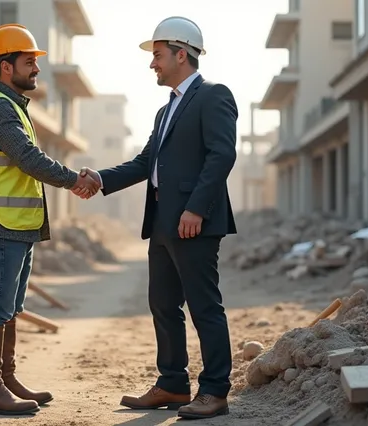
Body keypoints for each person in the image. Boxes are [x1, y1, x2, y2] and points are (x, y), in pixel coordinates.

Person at [75, 16, 238, 420]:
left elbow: (222, 155)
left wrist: (196, 208)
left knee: (204, 307)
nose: (153, 64)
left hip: (194, 222)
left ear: (182, 54)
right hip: (164, 221)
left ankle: (215, 391)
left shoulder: (214, 95)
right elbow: (146, 162)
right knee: (163, 305)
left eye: (159, 56)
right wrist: (100, 178)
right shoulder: (166, 111)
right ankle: (173, 384)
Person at [0, 23, 100, 416]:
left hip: (16, 226)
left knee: (10, 305)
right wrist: (75, 180)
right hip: (1, 224)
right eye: (29, 62)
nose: (36, 69)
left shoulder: (12, 108)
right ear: (5, 67)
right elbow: (28, 159)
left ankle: (4, 379)